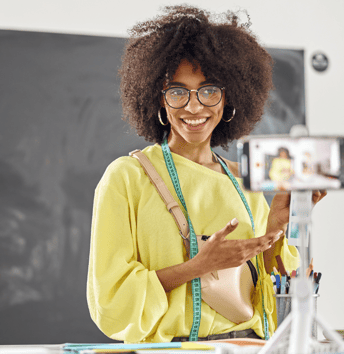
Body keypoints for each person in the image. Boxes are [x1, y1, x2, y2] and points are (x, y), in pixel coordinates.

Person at [86, 6, 326, 343]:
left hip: (249, 347)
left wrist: (276, 225)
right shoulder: (127, 177)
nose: (194, 107)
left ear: (229, 97)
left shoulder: (247, 182)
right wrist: (197, 267)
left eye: (209, 90)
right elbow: (111, 302)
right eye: (178, 91)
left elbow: (271, 301)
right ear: (159, 99)